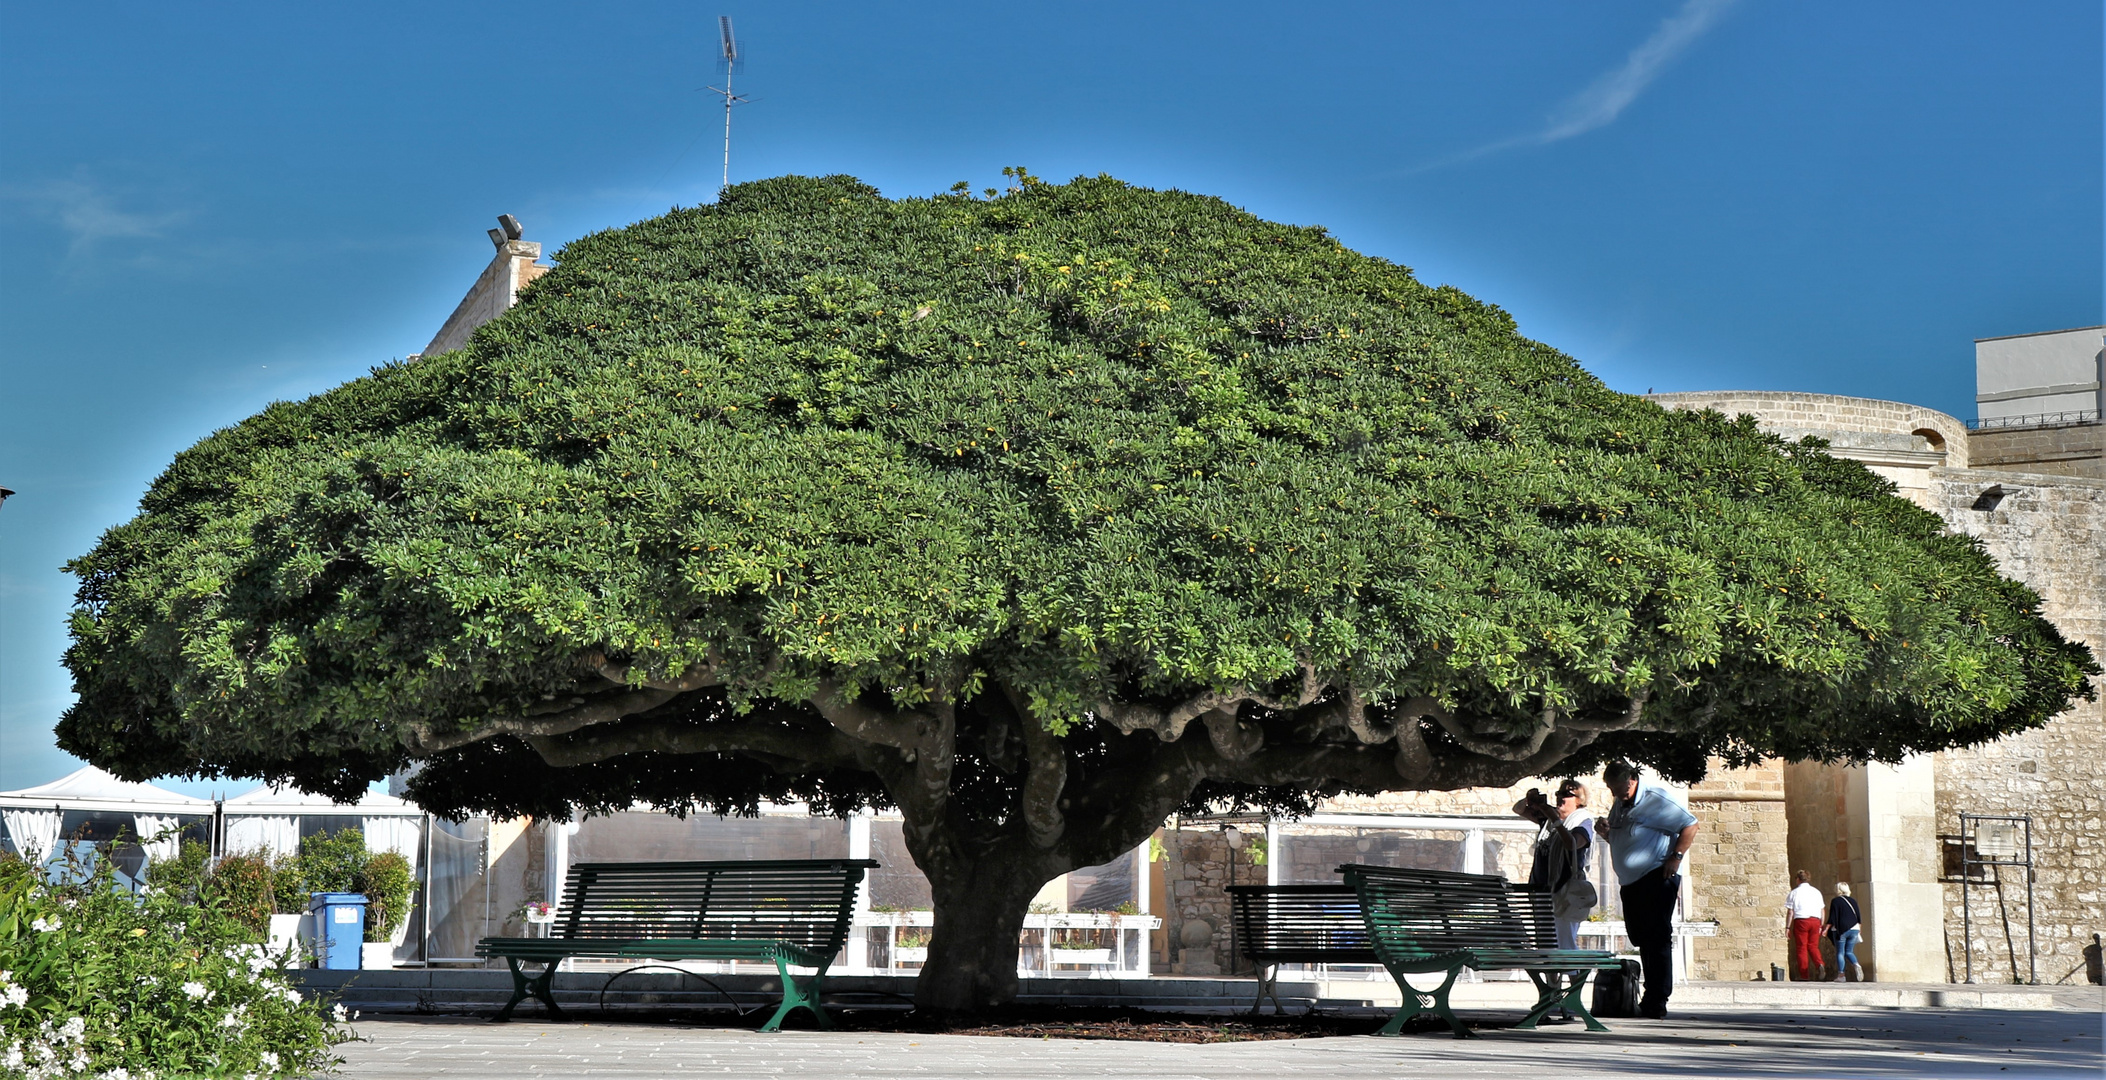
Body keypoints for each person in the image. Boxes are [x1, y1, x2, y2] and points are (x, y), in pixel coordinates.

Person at [1602, 761, 1698, 1019]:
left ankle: (1656, 999)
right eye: (1611, 788)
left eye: (1618, 788)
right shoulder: (1620, 804)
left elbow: (1690, 825)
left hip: (1655, 877)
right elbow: (1625, 838)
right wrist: (1606, 833)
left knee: (1656, 939)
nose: (1614, 793)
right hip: (1631, 882)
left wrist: (1676, 857)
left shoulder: (1655, 800)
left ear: (1632, 780)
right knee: (1640, 938)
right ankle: (1651, 996)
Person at [1513, 778, 1598, 949]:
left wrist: (1557, 821)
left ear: (1579, 800)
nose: (1560, 797)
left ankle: (1577, 976)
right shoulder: (1549, 821)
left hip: (1564, 892)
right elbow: (1518, 809)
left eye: (1567, 794)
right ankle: (1551, 976)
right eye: (1559, 793)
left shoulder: (1583, 821)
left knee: (1564, 944)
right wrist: (1531, 800)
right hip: (1541, 890)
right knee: (1546, 945)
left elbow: (1573, 844)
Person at [1785, 870, 1826, 981]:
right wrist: (1821, 925)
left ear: (1798, 879)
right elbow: (1822, 910)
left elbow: (1791, 912)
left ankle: (1804, 975)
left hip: (1801, 920)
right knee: (1813, 946)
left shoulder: (1794, 892)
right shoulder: (1816, 892)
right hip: (1815, 920)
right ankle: (1819, 963)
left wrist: (1787, 927)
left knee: (1801, 948)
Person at [1824, 881, 1863, 982]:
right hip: (1854, 929)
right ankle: (1856, 964)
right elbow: (1858, 917)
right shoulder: (1853, 901)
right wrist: (1859, 930)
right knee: (1849, 951)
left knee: (1840, 952)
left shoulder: (1836, 901)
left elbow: (1832, 918)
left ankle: (1841, 975)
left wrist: (1826, 929)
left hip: (1841, 930)